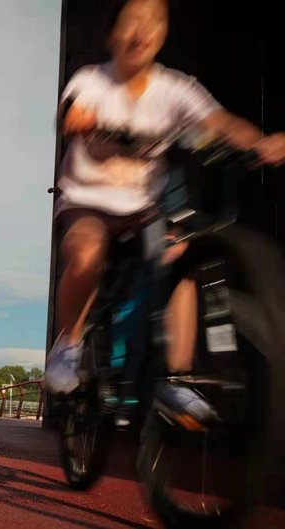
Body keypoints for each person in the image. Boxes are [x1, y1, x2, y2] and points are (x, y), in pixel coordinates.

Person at [45, 0, 285, 421]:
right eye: (132, 21)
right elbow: (73, 113)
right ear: (113, 35)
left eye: (154, 22)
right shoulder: (92, 80)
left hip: (142, 208)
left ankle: (174, 378)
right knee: (88, 251)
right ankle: (69, 345)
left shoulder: (176, 89)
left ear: (163, 34)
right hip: (87, 201)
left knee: (181, 261)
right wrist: (81, 120)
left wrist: (260, 143)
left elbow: (222, 123)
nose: (143, 31)